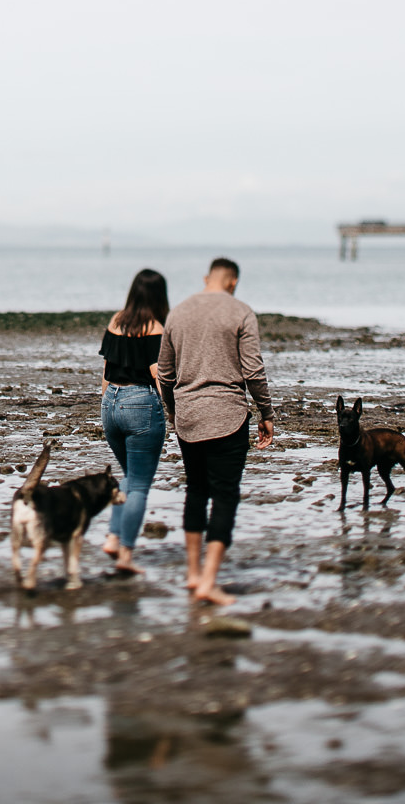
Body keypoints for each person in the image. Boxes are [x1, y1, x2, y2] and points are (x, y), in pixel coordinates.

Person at [156, 257, 273, 605]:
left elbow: (165, 373)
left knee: (196, 491)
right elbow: (253, 372)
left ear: (207, 278)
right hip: (228, 416)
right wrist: (267, 412)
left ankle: (192, 575)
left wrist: (175, 412)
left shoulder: (178, 312)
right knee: (224, 496)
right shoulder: (240, 312)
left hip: (189, 418)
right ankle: (209, 581)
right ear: (233, 281)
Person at [97, 268, 169, 577]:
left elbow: (105, 369)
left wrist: (106, 405)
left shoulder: (116, 321)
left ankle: (113, 537)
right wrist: (173, 412)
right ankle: (125, 553)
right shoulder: (157, 328)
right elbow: (159, 376)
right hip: (141, 402)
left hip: (110, 401)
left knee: (129, 476)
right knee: (139, 484)